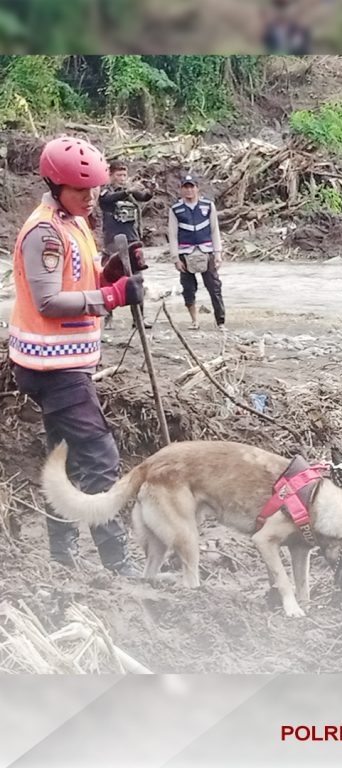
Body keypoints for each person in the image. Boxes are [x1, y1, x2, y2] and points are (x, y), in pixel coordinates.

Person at [9, 137, 144, 577]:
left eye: (94, 190)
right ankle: (116, 561)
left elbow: (79, 277)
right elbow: (49, 301)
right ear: (54, 184)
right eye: (80, 190)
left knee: (62, 454)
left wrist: (115, 271)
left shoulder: (75, 221)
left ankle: (62, 554)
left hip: (64, 362)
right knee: (99, 456)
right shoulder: (45, 232)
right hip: (52, 367)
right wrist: (111, 296)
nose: (90, 198)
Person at [98, 159, 154, 329]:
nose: (122, 178)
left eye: (124, 175)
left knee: (136, 279)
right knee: (109, 279)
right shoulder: (105, 192)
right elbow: (108, 200)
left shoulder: (130, 193)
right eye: (119, 175)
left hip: (132, 240)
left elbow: (143, 197)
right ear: (110, 176)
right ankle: (108, 317)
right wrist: (127, 190)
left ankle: (139, 318)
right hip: (113, 243)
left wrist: (151, 189)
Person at [168, 174, 225, 331]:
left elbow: (215, 230)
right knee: (188, 288)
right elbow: (172, 234)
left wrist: (218, 253)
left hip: (206, 251)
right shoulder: (176, 209)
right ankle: (194, 321)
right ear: (181, 189)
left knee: (214, 287)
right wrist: (175, 258)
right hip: (185, 253)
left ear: (197, 188)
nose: (189, 190)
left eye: (191, 187)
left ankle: (220, 322)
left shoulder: (208, 206)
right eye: (185, 187)